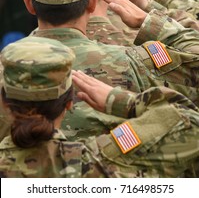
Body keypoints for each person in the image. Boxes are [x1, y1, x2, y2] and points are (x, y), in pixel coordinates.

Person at [22, 0, 199, 141]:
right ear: (93, 1)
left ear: (29, 3)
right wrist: (150, 18)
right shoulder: (134, 62)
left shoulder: (6, 68)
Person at [0, 36, 199, 178]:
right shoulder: (95, 165)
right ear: (70, 103)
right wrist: (121, 101)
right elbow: (189, 121)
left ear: (4, 103)